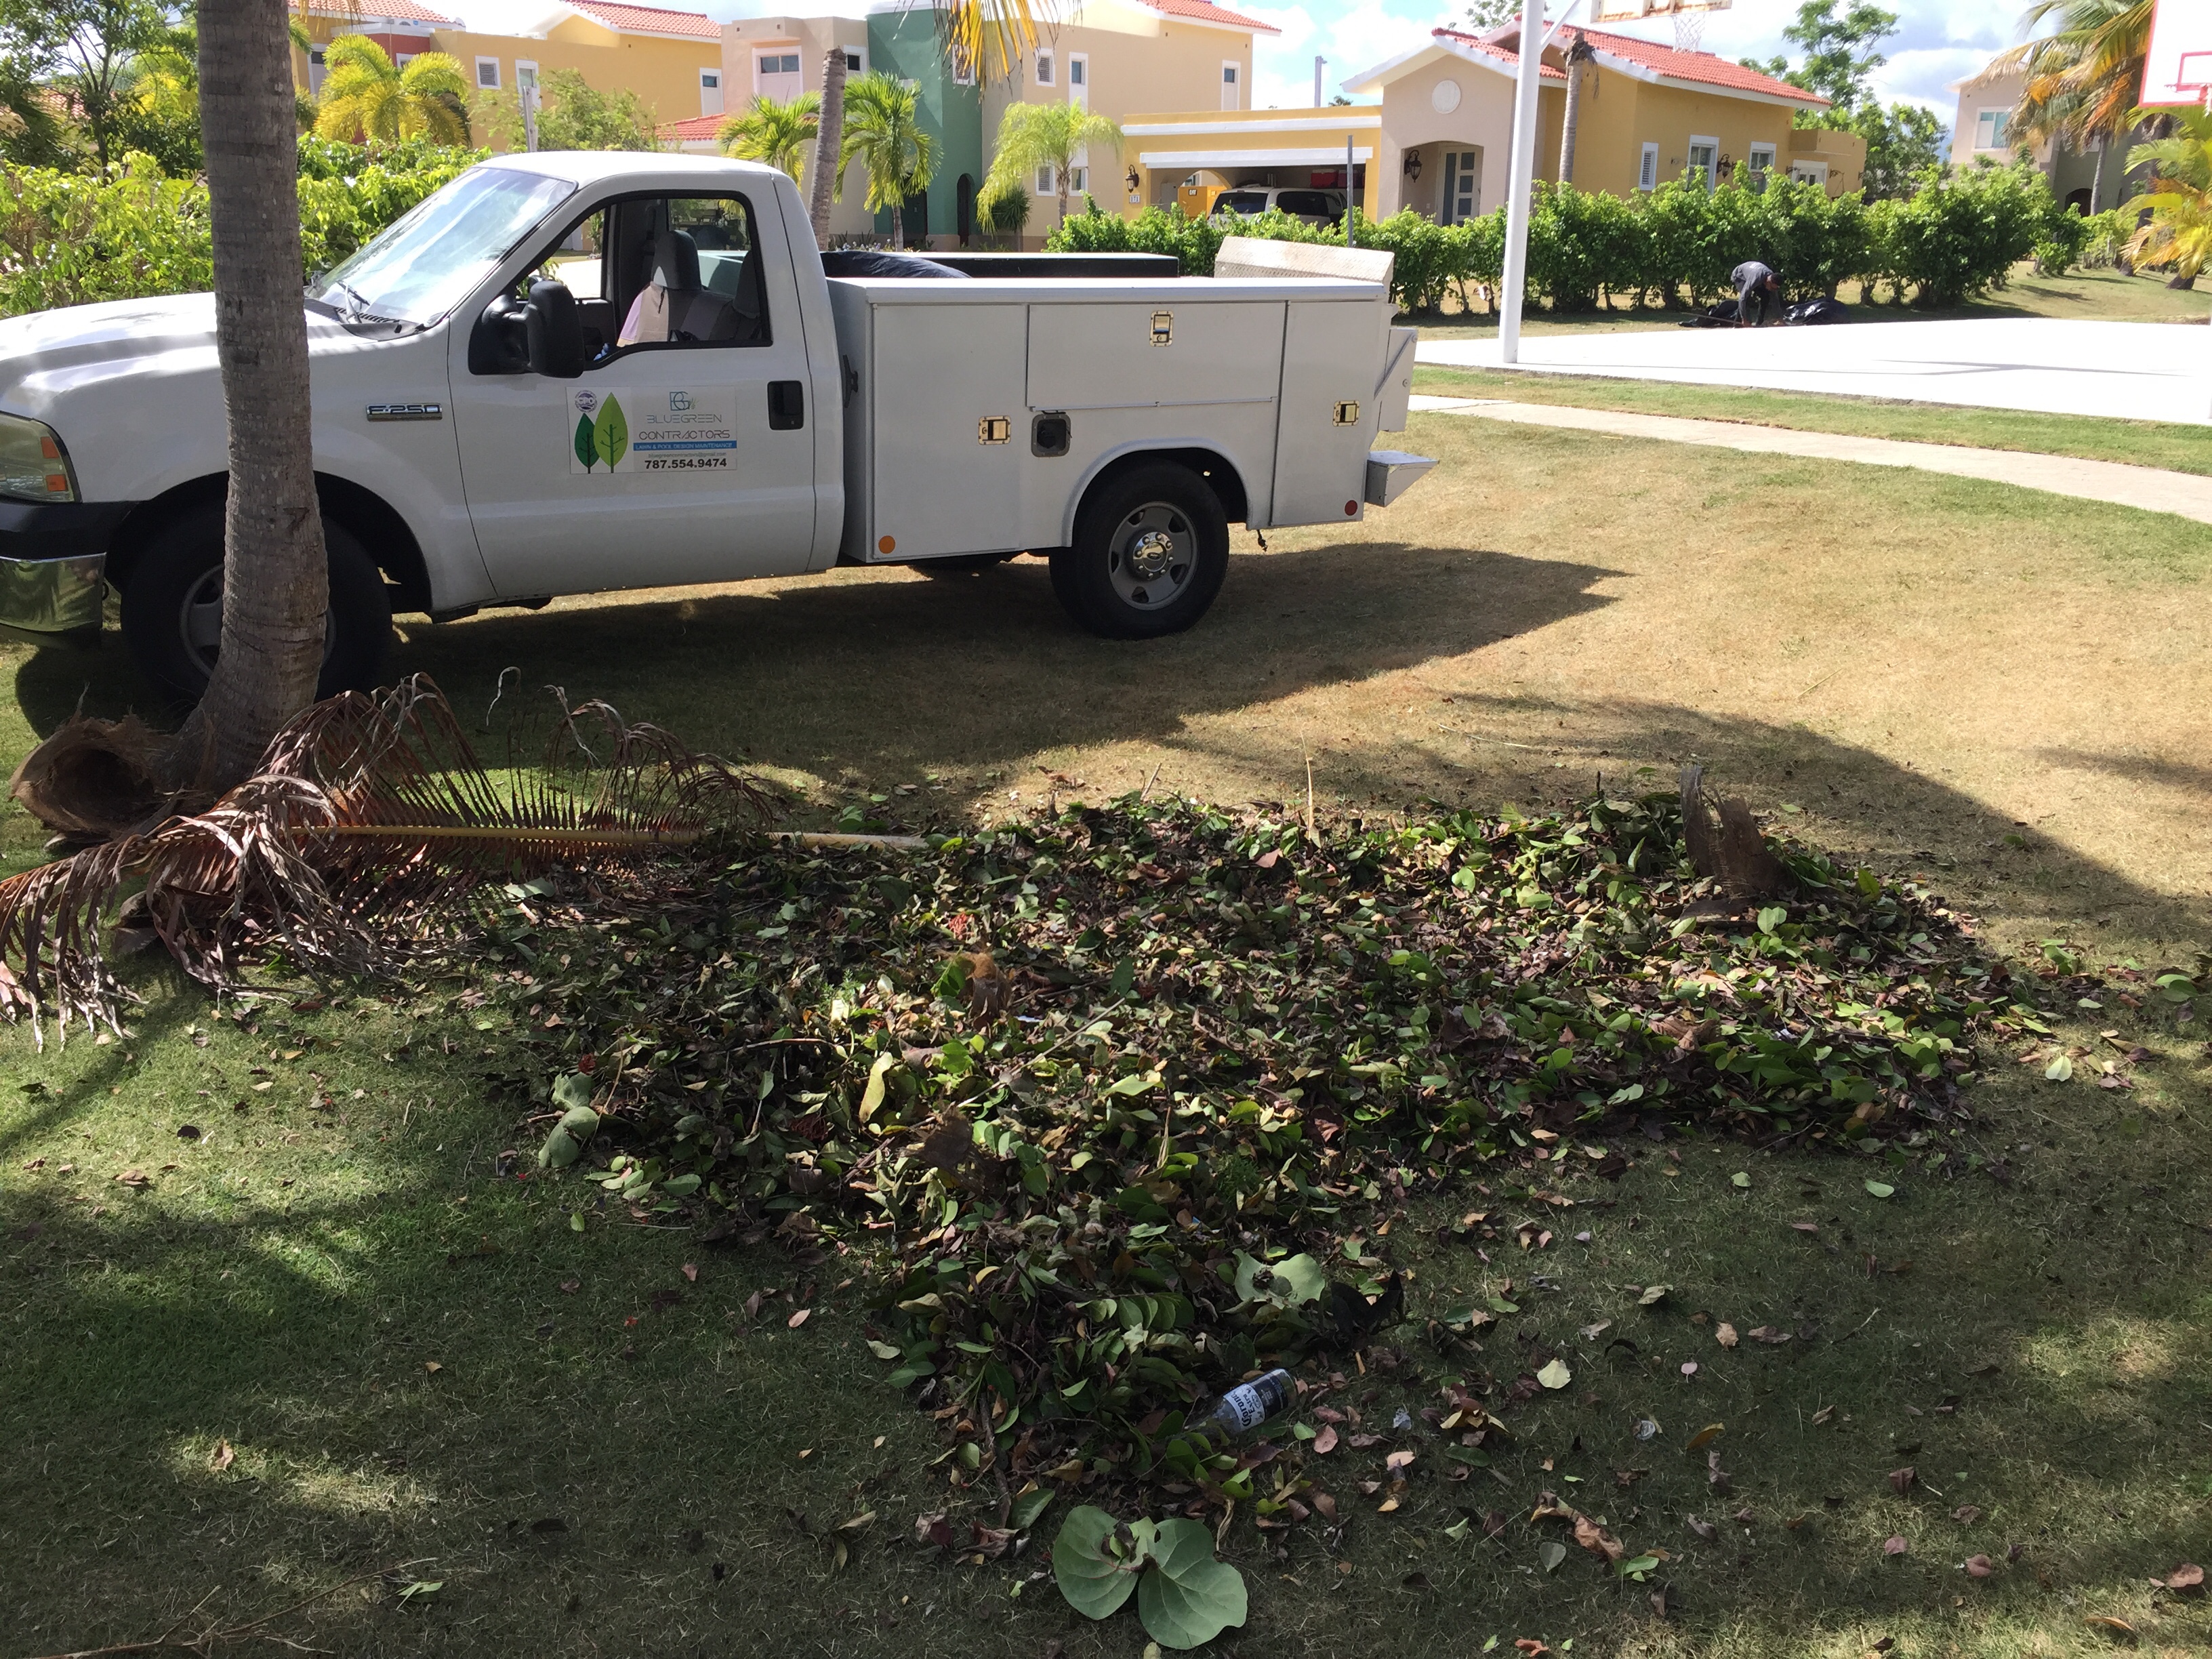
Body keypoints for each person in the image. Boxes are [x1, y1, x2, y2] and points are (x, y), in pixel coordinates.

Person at [1731, 260, 1781, 327]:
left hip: (1753, 273)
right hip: (1740, 276)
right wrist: (1744, 319)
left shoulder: (1771, 276)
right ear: (1769, 282)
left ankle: (1759, 323)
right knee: (1747, 298)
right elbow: (1742, 298)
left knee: (1766, 297)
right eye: (1772, 288)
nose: (1772, 290)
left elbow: (1775, 299)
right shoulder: (1756, 279)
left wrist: (1779, 318)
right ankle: (1738, 323)